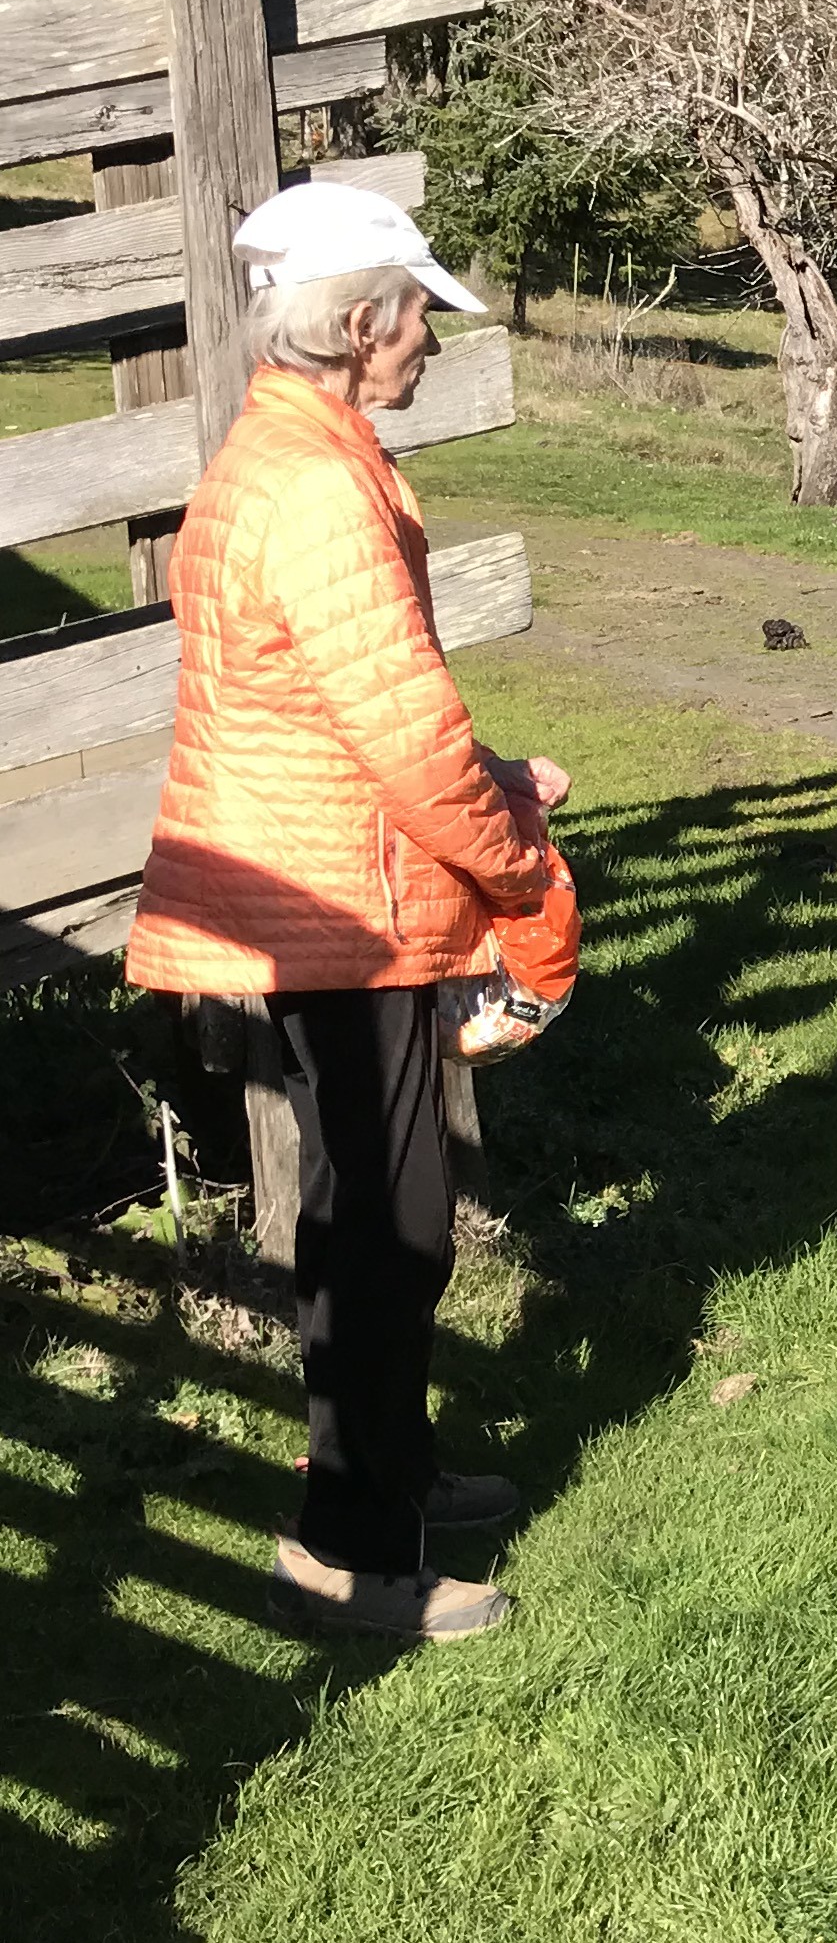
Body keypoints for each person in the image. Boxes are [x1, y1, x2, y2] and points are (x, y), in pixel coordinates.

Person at [125, 182, 567, 1641]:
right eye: (419, 314)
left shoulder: (285, 451)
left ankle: (397, 1472)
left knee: (364, 1216)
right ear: (365, 322)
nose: (430, 338)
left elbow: (362, 710)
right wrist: (524, 868)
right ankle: (345, 1550)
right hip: (343, 912)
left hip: (326, 896)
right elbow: (406, 743)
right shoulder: (317, 488)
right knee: (392, 1230)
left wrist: (496, 779)